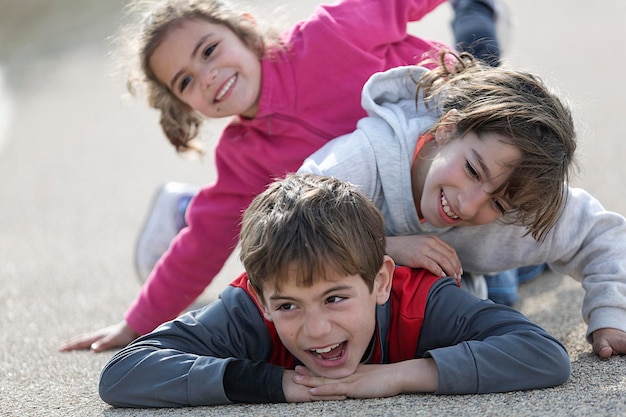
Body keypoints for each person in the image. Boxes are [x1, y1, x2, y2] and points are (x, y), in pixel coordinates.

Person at [60, 0, 500, 353]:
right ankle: (183, 206)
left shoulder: (331, 34)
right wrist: (135, 324)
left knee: (486, 57)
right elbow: (204, 242)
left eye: (209, 50)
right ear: (183, 104)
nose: (208, 76)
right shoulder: (241, 156)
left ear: (246, 29)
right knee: (495, 282)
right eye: (186, 81)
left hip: (455, 141)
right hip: (409, 218)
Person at [98, 173, 570, 408]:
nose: (316, 329)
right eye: (287, 306)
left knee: (507, 279)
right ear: (262, 300)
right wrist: (268, 383)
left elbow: (544, 354)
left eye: (335, 298)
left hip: (464, 278)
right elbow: (122, 374)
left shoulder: (422, 302)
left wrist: (401, 375)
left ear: (380, 282)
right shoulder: (248, 309)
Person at [297, 51, 626, 358]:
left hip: (477, 270)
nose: (468, 206)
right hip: (449, 274)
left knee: (504, 285)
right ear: (447, 128)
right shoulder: (359, 162)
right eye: (472, 170)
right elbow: (282, 224)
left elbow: (601, 235)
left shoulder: (520, 203)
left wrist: (610, 315)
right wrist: (387, 246)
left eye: (497, 204)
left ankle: (525, 267)